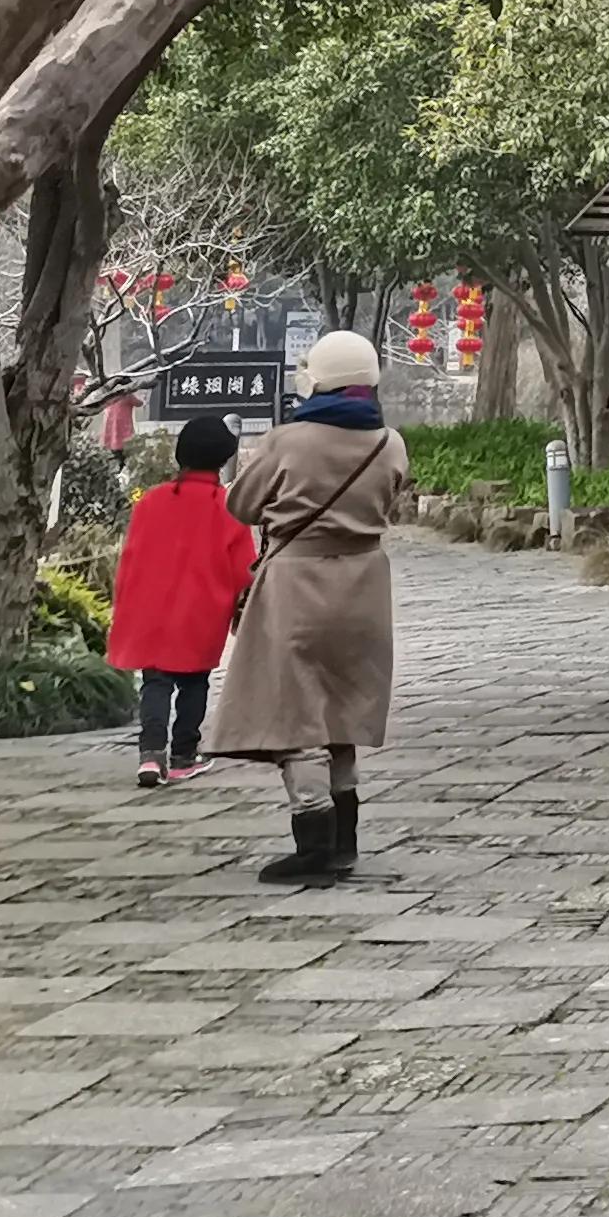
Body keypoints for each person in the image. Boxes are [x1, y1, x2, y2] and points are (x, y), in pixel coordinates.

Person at [205, 329, 401, 884]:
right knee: (342, 709)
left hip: (297, 583)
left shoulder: (287, 441)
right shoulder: (389, 442)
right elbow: (392, 498)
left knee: (296, 713)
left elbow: (241, 505)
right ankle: (345, 840)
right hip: (364, 585)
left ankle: (313, 841)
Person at [106, 413, 254, 788]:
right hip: (201, 613)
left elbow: (130, 559)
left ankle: (150, 756)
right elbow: (244, 570)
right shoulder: (229, 507)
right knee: (194, 683)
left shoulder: (151, 502)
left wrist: (124, 604)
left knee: (155, 683)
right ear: (223, 458)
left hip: (151, 609)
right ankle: (184, 755)